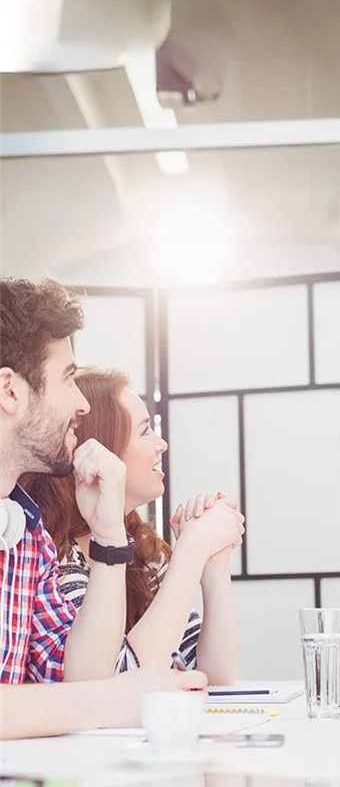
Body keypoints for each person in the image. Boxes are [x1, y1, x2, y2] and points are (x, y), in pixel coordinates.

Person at [0, 277, 205, 740]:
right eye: (69, 378)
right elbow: (97, 695)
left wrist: (109, 534)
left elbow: (76, 677)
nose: (79, 404)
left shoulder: (26, 535)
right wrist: (115, 699)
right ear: (10, 391)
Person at [25, 368, 243, 683]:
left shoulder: (140, 548)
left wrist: (214, 565)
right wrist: (192, 550)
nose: (162, 444)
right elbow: (116, 679)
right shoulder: (54, 554)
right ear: (102, 450)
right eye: (145, 432)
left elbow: (216, 675)